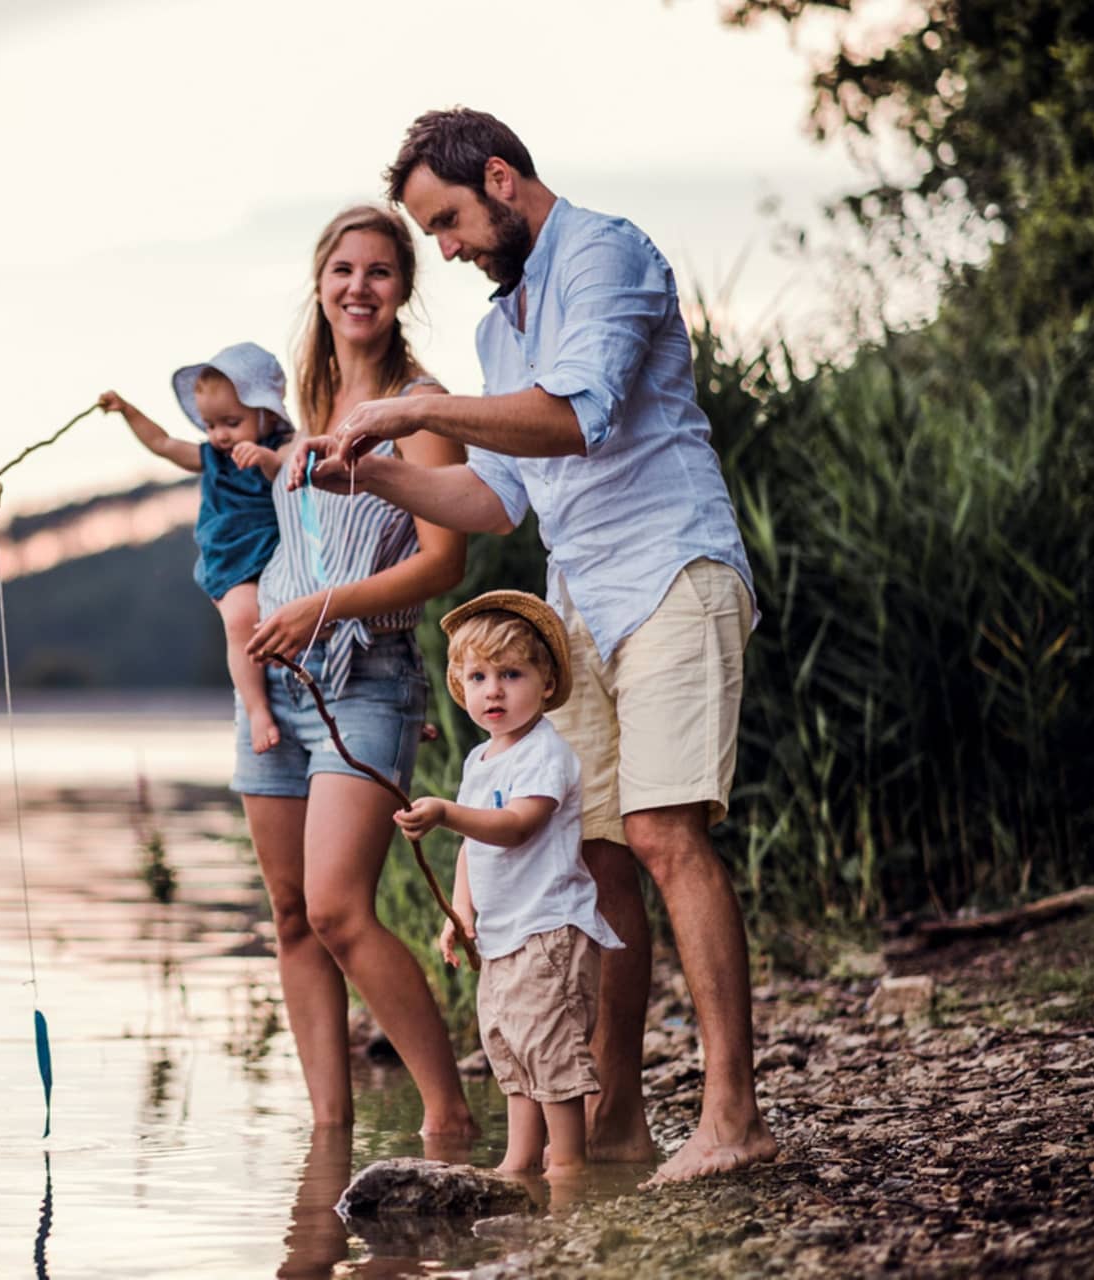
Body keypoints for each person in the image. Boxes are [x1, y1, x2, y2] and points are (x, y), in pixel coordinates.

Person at [290, 109, 780, 1184]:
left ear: (501, 179)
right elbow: (491, 493)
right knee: (590, 854)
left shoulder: (607, 253)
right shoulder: (497, 332)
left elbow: (574, 417)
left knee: (659, 830)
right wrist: (365, 469)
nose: (448, 248)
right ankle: (611, 1123)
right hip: (576, 602)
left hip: (668, 570)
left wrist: (411, 405)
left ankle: (732, 1114)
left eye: (449, 221)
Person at [236, 205, 472, 1137]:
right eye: (342, 269)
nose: (358, 287)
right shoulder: (304, 413)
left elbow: (445, 561)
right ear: (321, 283)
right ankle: (327, 1139)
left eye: (379, 271)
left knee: (339, 908)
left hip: (367, 677)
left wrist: (323, 608)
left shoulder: (423, 408)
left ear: (403, 288)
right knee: (292, 916)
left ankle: (448, 1115)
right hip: (275, 684)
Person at [395, 590, 622, 1177]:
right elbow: (475, 849)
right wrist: (460, 911)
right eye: (478, 676)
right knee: (512, 1049)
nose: (493, 689)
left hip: (548, 934)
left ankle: (568, 1168)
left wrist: (445, 811)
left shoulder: (544, 753)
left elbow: (518, 826)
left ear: (546, 683)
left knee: (552, 1054)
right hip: (501, 937)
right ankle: (519, 1164)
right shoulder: (479, 761)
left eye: (511, 674)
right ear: (461, 686)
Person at [100, 344, 292, 752]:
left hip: (281, 557)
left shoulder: (283, 448)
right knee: (242, 619)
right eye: (210, 425)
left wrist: (266, 460)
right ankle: (257, 709)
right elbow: (164, 444)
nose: (220, 435)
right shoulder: (212, 458)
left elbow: (293, 473)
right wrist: (128, 410)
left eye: (232, 422)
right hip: (234, 561)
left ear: (268, 413)